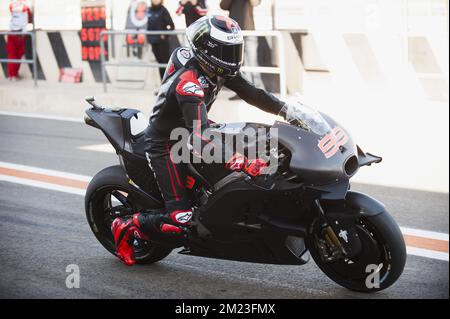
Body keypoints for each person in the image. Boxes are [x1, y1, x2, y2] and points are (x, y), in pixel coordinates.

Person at [111, 15, 289, 266]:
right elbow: (199, 136)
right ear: (208, 51)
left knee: (250, 154)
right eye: (228, 50)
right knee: (182, 218)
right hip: (167, 144)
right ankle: (128, 225)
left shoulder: (216, 67)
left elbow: (252, 93)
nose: (233, 55)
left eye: (235, 48)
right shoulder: (189, 83)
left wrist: (287, 111)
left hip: (194, 127)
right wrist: (237, 160)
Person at [220, 0, 264, 99]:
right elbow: (223, 5)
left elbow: (255, 3)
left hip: (249, 31)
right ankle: (244, 92)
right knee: (238, 64)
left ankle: (259, 91)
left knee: (252, 62)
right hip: (234, 33)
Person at [146, 0, 175, 79]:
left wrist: (165, 35)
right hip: (153, 41)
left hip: (162, 43)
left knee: (165, 64)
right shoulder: (149, 10)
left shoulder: (163, 10)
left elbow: (171, 26)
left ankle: (168, 85)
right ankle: (162, 86)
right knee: (160, 64)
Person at [7, 0, 32, 81]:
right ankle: (13, 75)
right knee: (17, 54)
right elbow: (29, 19)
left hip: (11, 33)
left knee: (12, 54)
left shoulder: (12, 6)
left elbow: (12, 9)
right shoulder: (26, 8)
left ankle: (12, 75)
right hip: (20, 34)